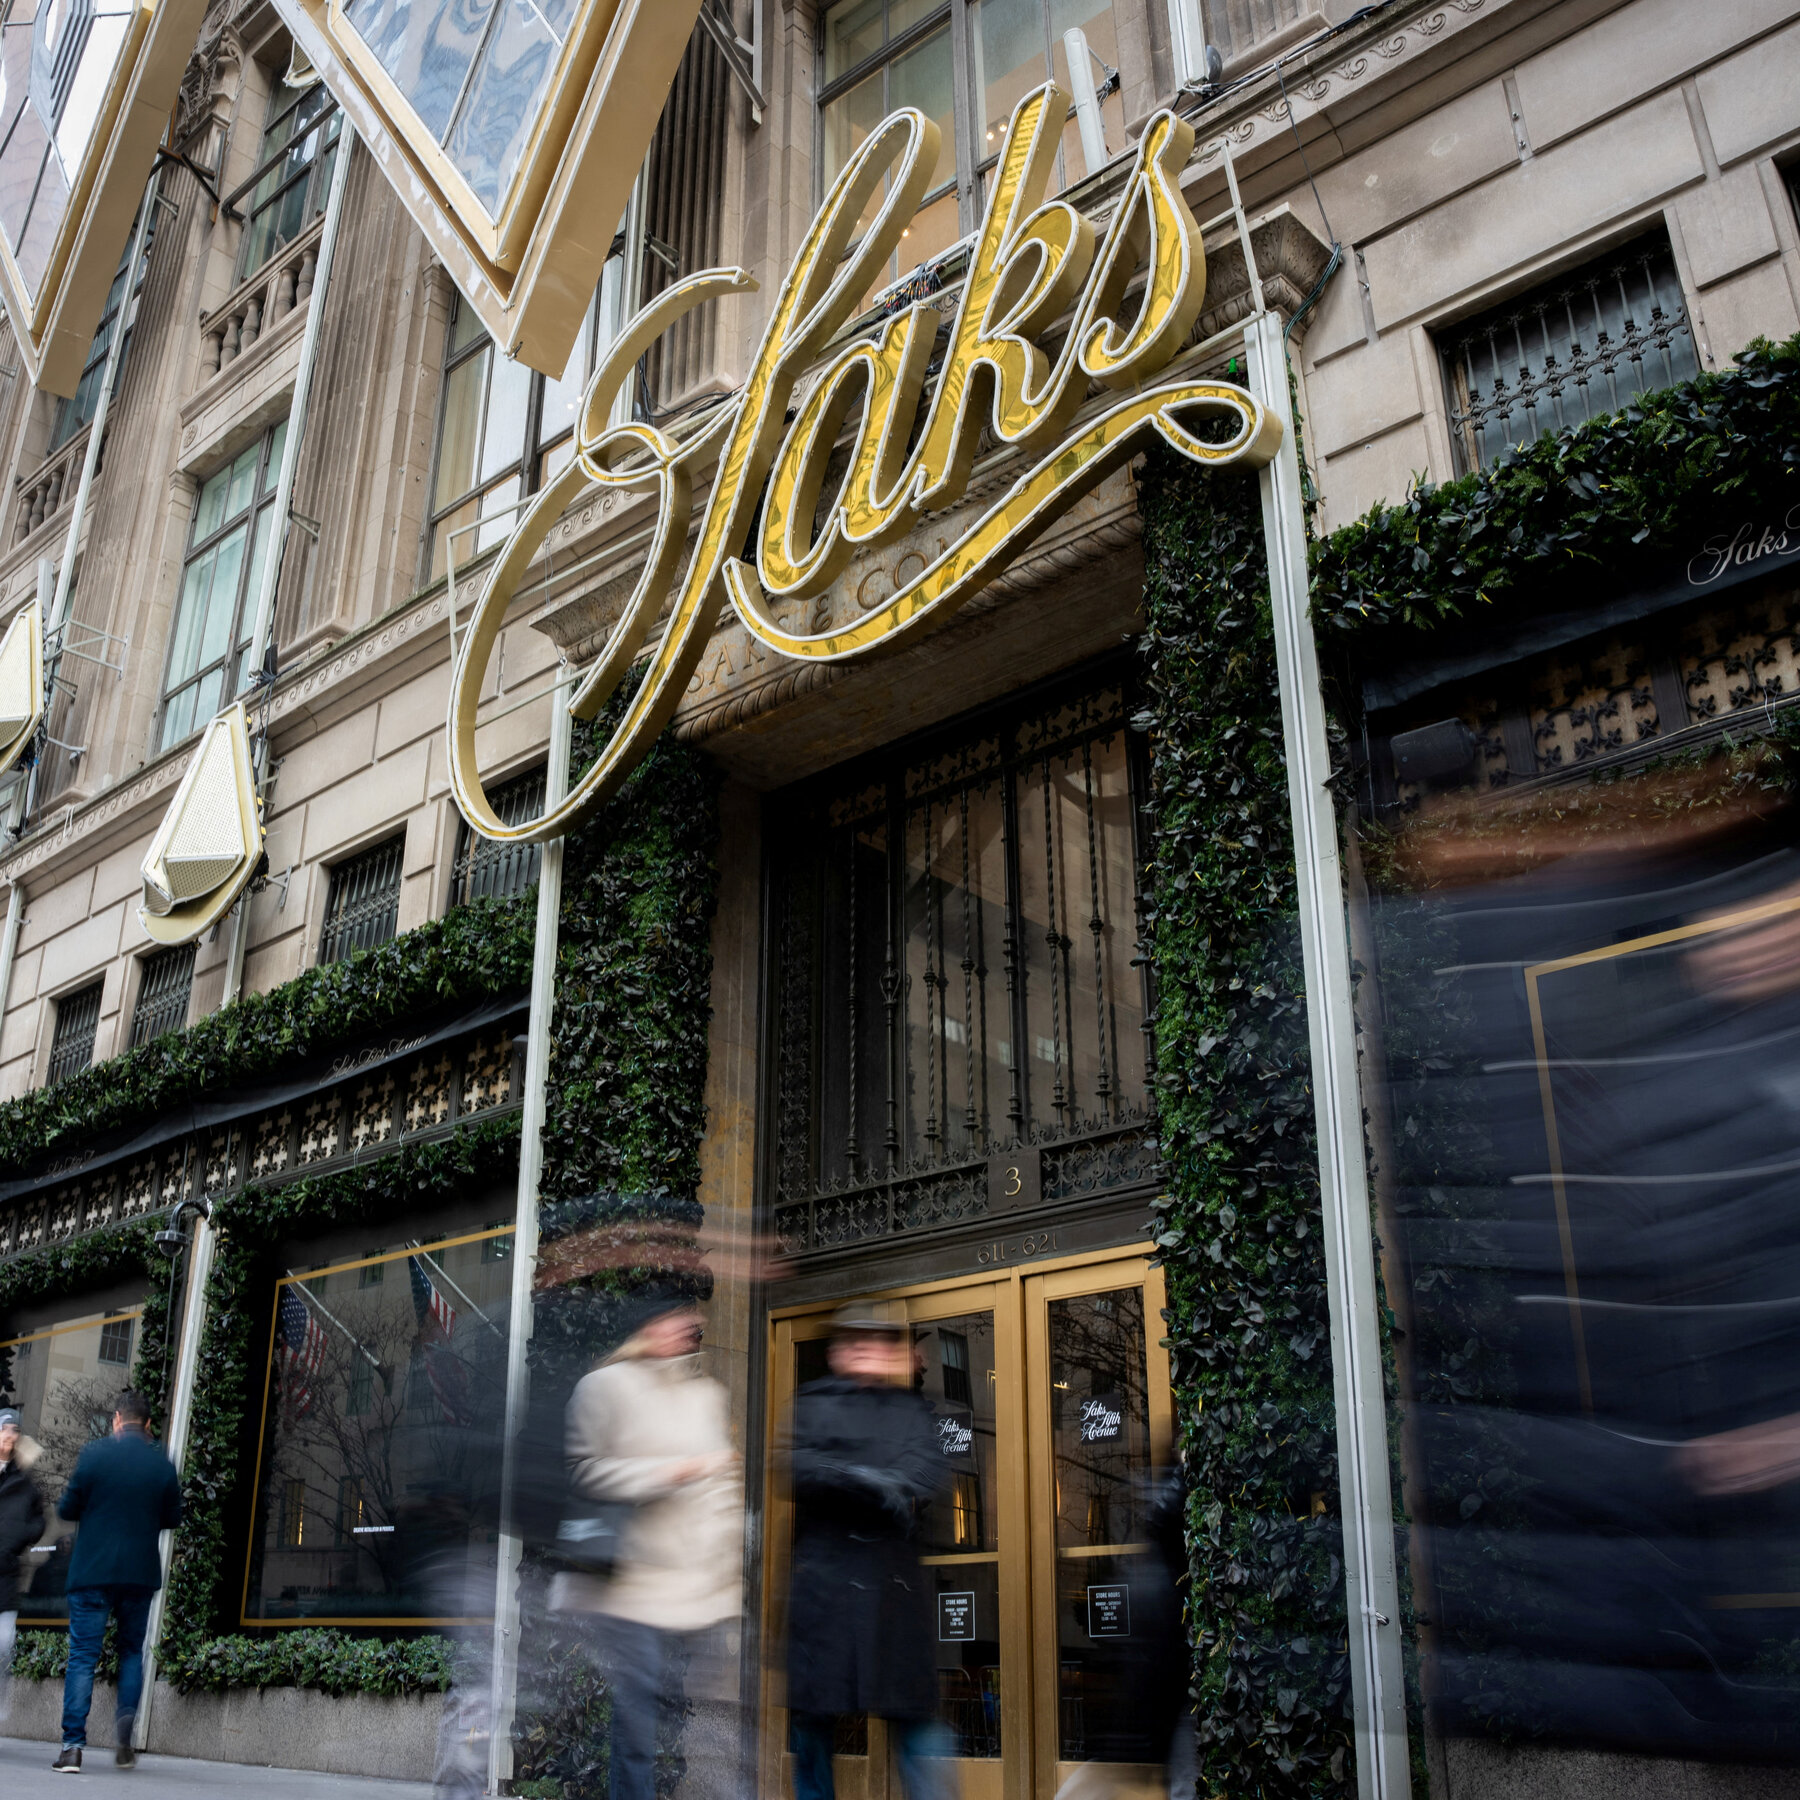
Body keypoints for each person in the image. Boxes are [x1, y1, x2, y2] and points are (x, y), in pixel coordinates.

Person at [551, 1290, 744, 1800]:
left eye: (689, 1322)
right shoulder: (604, 1386)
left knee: (700, 1711)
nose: (685, 1330)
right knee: (637, 1717)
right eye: (673, 1320)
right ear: (647, 1327)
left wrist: (728, 1575)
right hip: (631, 1584)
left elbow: (722, 1491)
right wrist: (665, 1474)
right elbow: (582, 1471)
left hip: (696, 1586)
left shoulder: (706, 1396)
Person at [783, 1301, 953, 1800]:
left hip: (891, 1595)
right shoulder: (810, 1404)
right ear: (835, 1353)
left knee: (917, 1730)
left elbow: (925, 1474)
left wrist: (852, 1478)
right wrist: (869, 1481)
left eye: (875, 1342)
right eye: (854, 1342)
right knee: (813, 1731)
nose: (864, 1350)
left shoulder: (911, 1413)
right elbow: (796, 1468)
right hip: (824, 1597)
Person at [51, 1389, 182, 1773]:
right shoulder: (162, 1464)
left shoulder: (95, 1455)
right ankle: (124, 1735)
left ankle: (72, 1748)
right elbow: (172, 1518)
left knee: (83, 1656)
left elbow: (67, 1508)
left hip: (92, 1570)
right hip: (138, 1573)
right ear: (148, 1424)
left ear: (116, 1420)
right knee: (130, 1652)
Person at [0, 1405, 47, 1724]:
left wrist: (19, 1539)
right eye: (4, 1428)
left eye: (15, 1430)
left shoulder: (24, 1482)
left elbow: (38, 1521)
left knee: (4, 1646)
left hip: (6, 1576)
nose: (9, 1435)